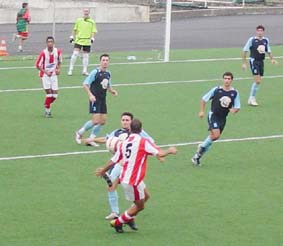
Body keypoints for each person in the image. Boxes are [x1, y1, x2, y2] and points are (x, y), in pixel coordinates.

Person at [95, 119, 177, 233]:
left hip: (130, 178)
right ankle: (118, 222)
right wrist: (170, 150)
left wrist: (103, 170)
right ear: (140, 129)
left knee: (146, 196)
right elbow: (160, 153)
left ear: (130, 129)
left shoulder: (124, 143)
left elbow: (114, 160)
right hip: (132, 181)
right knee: (140, 206)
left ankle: (128, 218)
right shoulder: (143, 142)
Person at [83, 112, 154, 220]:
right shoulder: (117, 132)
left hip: (130, 165)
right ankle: (116, 212)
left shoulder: (139, 132)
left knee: (144, 194)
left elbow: (151, 141)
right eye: (123, 120)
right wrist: (93, 139)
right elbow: (107, 139)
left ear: (132, 121)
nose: (125, 122)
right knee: (111, 185)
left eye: (127, 120)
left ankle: (130, 212)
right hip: (118, 162)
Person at [191, 72, 240, 167]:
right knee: (216, 134)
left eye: (229, 79)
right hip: (213, 115)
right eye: (225, 78)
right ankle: (201, 148)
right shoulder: (216, 90)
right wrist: (201, 111)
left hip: (223, 118)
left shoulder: (234, 93)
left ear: (231, 80)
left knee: (215, 137)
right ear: (223, 79)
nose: (226, 80)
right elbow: (204, 99)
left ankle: (197, 156)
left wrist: (234, 110)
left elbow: (237, 106)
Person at [75, 54, 118, 145]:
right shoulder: (95, 72)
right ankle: (79, 133)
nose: (105, 62)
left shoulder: (108, 73)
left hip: (103, 99)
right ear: (100, 61)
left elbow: (107, 85)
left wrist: (112, 91)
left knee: (102, 121)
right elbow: (85, 84)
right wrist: (90, 95)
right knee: (95, 121)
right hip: (95, 99)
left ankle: (91, 140)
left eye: (107, 60)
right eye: (103, 60)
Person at [242, 25, 277, 106]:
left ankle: (251, 98)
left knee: (258, 81)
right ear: (256, 31)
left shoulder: (265, 40)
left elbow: (268, 50)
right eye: (258, 30)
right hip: (254, 61)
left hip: (261, 61)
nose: (260, 32)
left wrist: (272, 59)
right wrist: (244, 63)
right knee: (257, 81)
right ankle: (252, 98)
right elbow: (244, 50)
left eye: (261, 31)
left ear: (263, 32)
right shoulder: (252, 40)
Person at [35, 36, 62, 118]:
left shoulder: (58, 51)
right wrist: (46, 72)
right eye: (48, 42)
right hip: (45, 75)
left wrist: (58, 69)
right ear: (46, 43)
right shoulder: (43, 53)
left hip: (54, 75)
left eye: (51, 41)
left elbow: (59, 62)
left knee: (55, 95)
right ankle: (48, 112)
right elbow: (37, 65)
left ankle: (46, 104)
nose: (50, 43)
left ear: (54, 43)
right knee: (49, 93)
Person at [68, 9, 97, 76]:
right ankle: (70, 69)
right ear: (83, 12)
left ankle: (84, 70)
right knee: (75, 54)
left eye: (87, 11)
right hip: (79, 40)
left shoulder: (92, 22)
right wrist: (72, 37)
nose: (86, 12)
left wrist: (92, 38)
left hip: (87, 41)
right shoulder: (79, 20)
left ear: (89, 12)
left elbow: (93, 31)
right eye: (85, 11)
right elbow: (75, 29)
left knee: (86, 56)